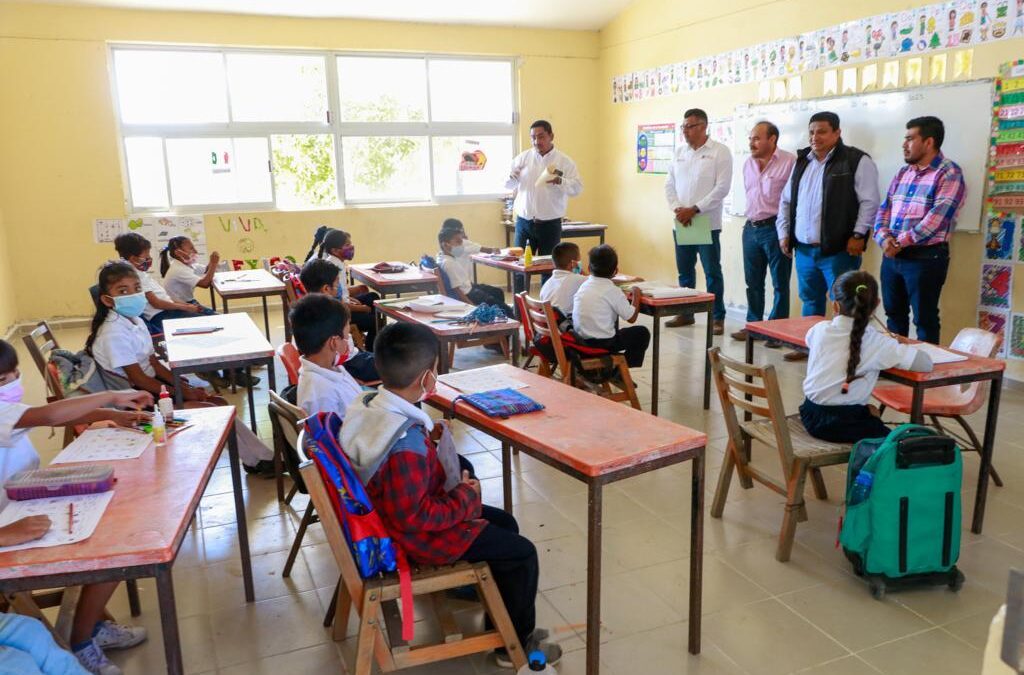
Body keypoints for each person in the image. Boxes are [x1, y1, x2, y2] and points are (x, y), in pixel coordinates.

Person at [339, 323, 559, 668]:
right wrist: (465, 498)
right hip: (412, 539)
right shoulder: (405, 444)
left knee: (506, 522)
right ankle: (512, 645)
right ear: (426, 379)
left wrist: (433, 443)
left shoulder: (369, 403)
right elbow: (413, 518)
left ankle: (502, 618)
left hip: (383, 517)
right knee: (522, 554)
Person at [1, 339, 152, 674]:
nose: (11, 384)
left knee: (115, 526)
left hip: (25, 500)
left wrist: (112, 414)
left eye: (14, 375)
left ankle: (90, 627)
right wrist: (112, 397)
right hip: (8, 525)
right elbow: (52, 413)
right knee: (111, 548)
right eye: (2, 380)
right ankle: (82, 638)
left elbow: (45, 419)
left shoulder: (6, 410)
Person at [85, 261, 274, 474]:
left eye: (137, 288)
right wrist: (181, 392)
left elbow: (154, 363)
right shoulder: (113, 333)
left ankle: (259, 460)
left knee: (218, 403)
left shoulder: (135, 321)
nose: (133, 294)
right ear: (107, 300)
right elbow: (139, 379)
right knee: (215, 411)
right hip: (136, 406)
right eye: (123, 291)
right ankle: (261, 461)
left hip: (151, 392)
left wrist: (182, 386)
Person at [776, 111, 880, 362]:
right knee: (809, 300)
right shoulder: (802, 161)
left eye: (822, 131)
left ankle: (845, 351)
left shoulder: (856, 160)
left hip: (838, 250)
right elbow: (786, 200)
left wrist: (858, 234)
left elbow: (870, 202)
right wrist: (784, 233)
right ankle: (808, 346)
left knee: (844, 303)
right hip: (804, 249)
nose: (815, 137)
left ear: (837, 133)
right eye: (812, 131)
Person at [799, 271, 932, 443]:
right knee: (901, 445)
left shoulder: (820, 329)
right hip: (842, 425)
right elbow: (925, 364)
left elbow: (811, 341)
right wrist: (901, 345)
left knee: (871, 411)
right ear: (876, 304)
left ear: (835, 306)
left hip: (810, 414)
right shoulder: (878, 342)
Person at [873, 116, 965, 345]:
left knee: (924, 319)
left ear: (928, 142)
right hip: (892, 256)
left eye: (910, 139)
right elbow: (884, 209)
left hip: (926, 257)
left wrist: (900, 242)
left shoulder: (949, 172)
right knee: (894, 316)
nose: (904, 145)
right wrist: (883, 238)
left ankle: (925, 375)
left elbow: (937, 218)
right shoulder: (903, 173)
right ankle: (896, 366)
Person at [663, 108, 733, 334]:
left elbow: (721, 188)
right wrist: (677, 208)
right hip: (683, 221)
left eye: (690, 126)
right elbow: (669, 184)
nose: (685, 131)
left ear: (703, 127)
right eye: (683, 127)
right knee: (685, 272)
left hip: (706, 222)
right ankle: (686, 312)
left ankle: (717, 317)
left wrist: (694, 209)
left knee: (712, 271)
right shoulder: (680, 152)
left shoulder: (719, 152)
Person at [158, 236, 258, 387]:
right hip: (179, 311)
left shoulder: (185, 265)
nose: (195, 251)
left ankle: (232, 369)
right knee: (221, 325)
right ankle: (228, 371)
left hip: (188, 304)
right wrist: (214, 263)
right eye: (191, 248)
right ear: (179, 252)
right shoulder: (177, 269)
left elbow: (204, 271)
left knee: (225, 322)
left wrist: (211, 265)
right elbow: (205, 283)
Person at [732, 121, 795, 348]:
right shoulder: (748, 164)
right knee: (753, 282)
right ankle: (754, 326)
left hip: (775, 228)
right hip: (751, 228)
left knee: (780, 283)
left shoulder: (789, 162)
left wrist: (787, 232)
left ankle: (777, 331)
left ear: (773, 139)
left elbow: (792, 201)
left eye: (757, 138)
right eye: (750, 138)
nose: (752, 143)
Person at [504, 120, 583, 292]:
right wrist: (513, 177)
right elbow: (507, 186)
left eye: (541, 137)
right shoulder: (522, 159)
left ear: (551, 136)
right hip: (524, 223)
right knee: (519, 269)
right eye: (533, 138)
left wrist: (560, 180)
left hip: (550, 224)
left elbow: (577, 189)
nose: (536, 142)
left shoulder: (564, 161)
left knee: (550, 270)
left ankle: (547, 313)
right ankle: (520, 313)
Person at [299, 258, 380, 383]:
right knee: (403, 369)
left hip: (353, 359)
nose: (340, 288)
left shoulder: (307, 309)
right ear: (326, 289)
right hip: (351, 365)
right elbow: (333, 359)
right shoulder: (332, 313)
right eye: (337, 284)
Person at [114, 232, 209, 335]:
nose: (149, 258)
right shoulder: (133, 276)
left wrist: (185, 305)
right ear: (133, 258)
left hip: (169, 309)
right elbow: (157, 303)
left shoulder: (139, 272)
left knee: (208, 318)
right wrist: (185, 307)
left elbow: (163, 297)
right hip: (162, 315)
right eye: (146, 256)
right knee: (207, 323)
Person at [571, 245, 650, 368]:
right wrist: (636, 294)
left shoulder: (584, 285)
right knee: (642, 333)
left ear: (588, 268)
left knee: (616, 330)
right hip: (602, 343)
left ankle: (616, 370)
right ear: (616, 271)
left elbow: (602, 282)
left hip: (580, 341)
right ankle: (620, 371)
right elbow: (631, 318)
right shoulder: (612, 291)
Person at [290, 293, 362, 420]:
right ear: (334, 342)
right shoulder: (322, 396)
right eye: (347, 335)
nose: (348, 340)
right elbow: (333, 438)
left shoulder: (329, 368)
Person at [308, 228, 381, 348]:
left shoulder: (335, 262)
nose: (351, 247)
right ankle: (371, 348)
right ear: (335, 250)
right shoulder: (335, 268)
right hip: (339, 313)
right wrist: (362, 308)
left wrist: (351, 299)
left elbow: (341, 294)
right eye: (347, 245)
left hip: (340, 307)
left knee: (373, 298)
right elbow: (339, 303)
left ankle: (370, 338)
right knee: (376, 320)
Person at [437, 228, 516, 320]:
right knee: (506, 309)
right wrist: (471, 305)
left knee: (498, 292)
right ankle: (509, 326)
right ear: (445, 244)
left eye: (461, 242)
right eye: (458, 242)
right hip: (469, 294)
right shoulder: (448, 263)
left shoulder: (442, 256)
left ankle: (496, 320)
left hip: (469, 287)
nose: (461, 246)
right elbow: (457, 290)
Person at [539, 241, 586, 318]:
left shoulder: (547, 284)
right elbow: (596, 281)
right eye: (579, 260)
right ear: (573, 263)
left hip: (547, 327)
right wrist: (581, 271)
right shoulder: (578, 279)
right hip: (564, 327)